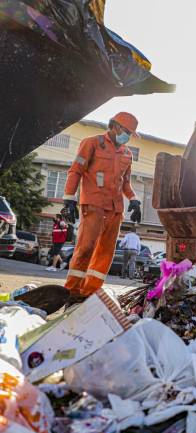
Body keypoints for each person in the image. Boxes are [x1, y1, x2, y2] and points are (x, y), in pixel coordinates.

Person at [61, 112, 142, 300]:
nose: (128, 137)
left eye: (131, 134)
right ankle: (71, 292)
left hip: (115, 209)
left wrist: (134, 199)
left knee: (106, 253)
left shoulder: (127, 154)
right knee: (86, 248)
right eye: (127, 132)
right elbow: (75, 171)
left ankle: (90, 293)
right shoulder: (91, 143)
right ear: (115, 126)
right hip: (94, 204)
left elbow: (126, 183)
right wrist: (68, 199)